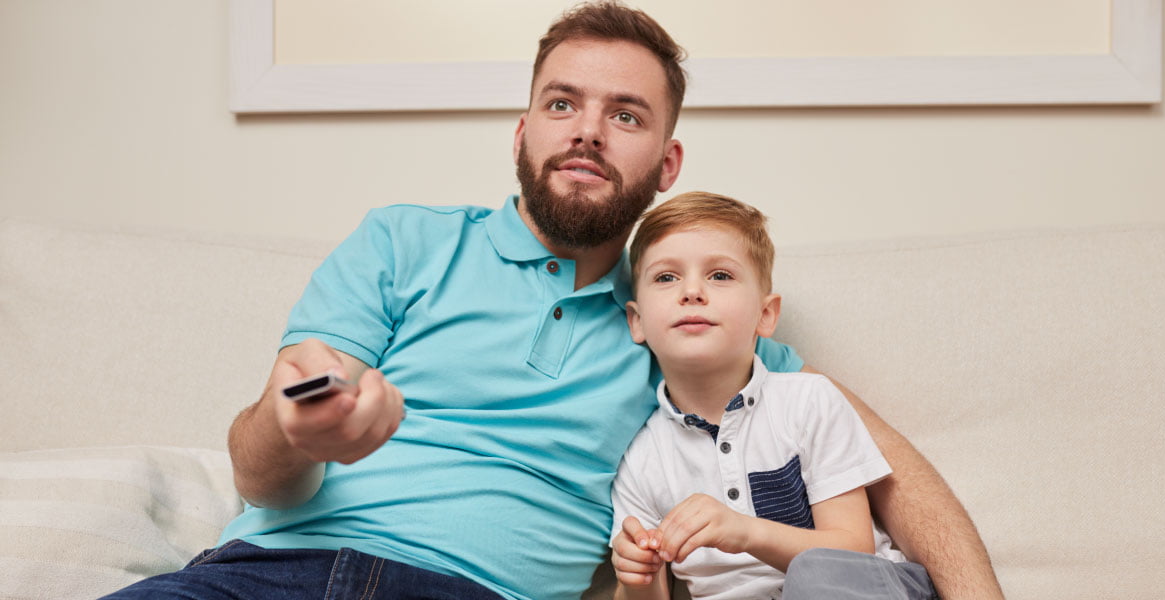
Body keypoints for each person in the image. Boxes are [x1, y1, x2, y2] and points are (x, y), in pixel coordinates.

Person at [101, 2, 1001, 599]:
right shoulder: (404, 240)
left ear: (667, 161)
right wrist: (295, 421)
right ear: (523, 127)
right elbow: (261, 467)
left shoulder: (676, 312)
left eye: (626, 114)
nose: (586, 132)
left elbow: (884, 468)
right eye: (563, 103)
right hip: (263, 572)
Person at [610, 192, 937, 600]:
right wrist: (635, 578)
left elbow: (855, 548)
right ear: (637, 322)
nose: (691, 291)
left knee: (813, 577)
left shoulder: (809, 402)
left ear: (766, 315)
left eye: (720, 276)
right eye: (666, 277)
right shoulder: (643, 457)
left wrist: (745, 531)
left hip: (861, 587)